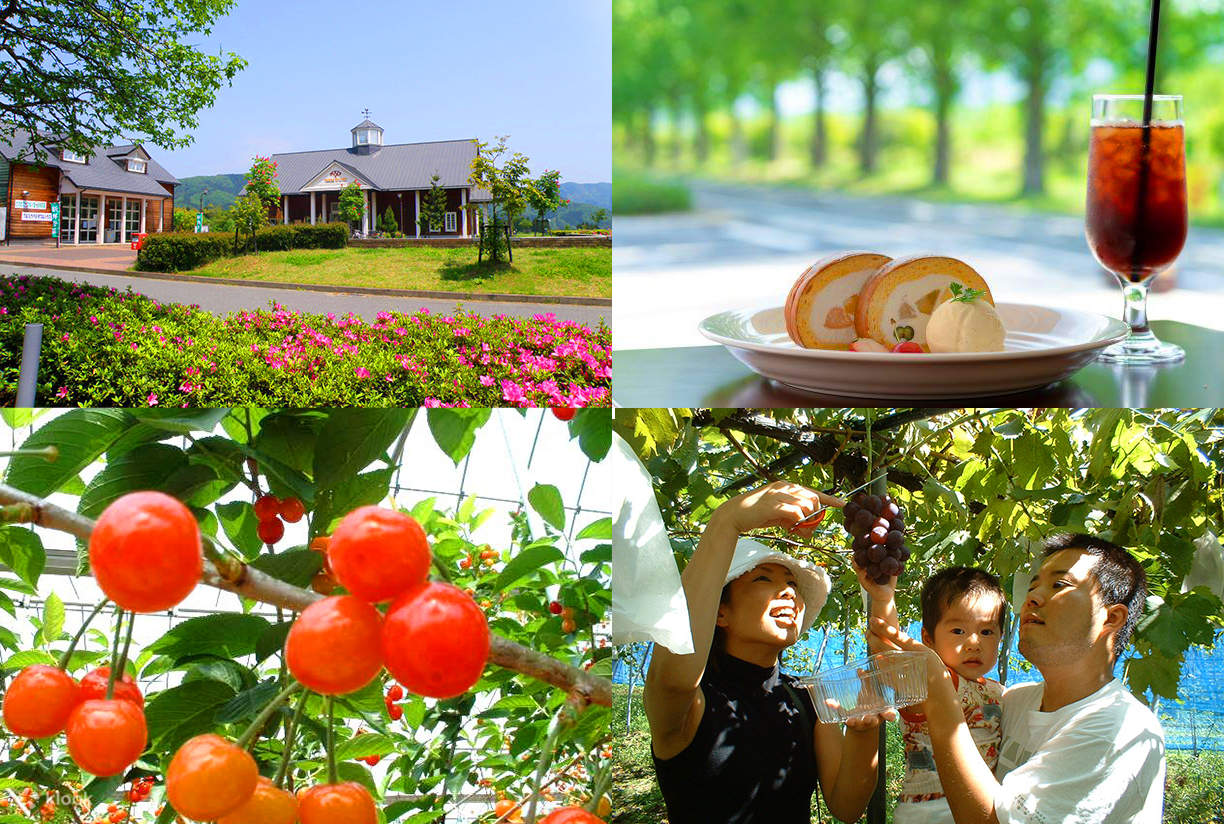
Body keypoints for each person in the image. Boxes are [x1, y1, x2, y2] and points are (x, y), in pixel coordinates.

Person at [871, 533, 1166, 824]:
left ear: (1111, 618)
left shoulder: (1116, 730)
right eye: (1033, 585)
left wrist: (939, 691)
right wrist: (883, 596)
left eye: (1059, 585)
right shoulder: (1012, 701)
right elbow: (892, 661)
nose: (1032, 597)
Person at [644, 481, 891, 824]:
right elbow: (676, 672)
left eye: (792, 584)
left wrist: (863, 734)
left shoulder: (805, 698)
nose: (789, 593)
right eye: (763, 579)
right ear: (719, 612)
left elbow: (847, 808)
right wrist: (726, 521)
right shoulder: (692, 701)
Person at [859, 564, 1006, 823]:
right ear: (928, 639)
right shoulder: (931, 682)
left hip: (980, 806)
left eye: (986, 632)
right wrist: (883, 599)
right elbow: (890, 657)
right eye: (958, 631)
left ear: (1000, 636)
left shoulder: (999, 692)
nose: (974, 643)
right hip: (928, 813)